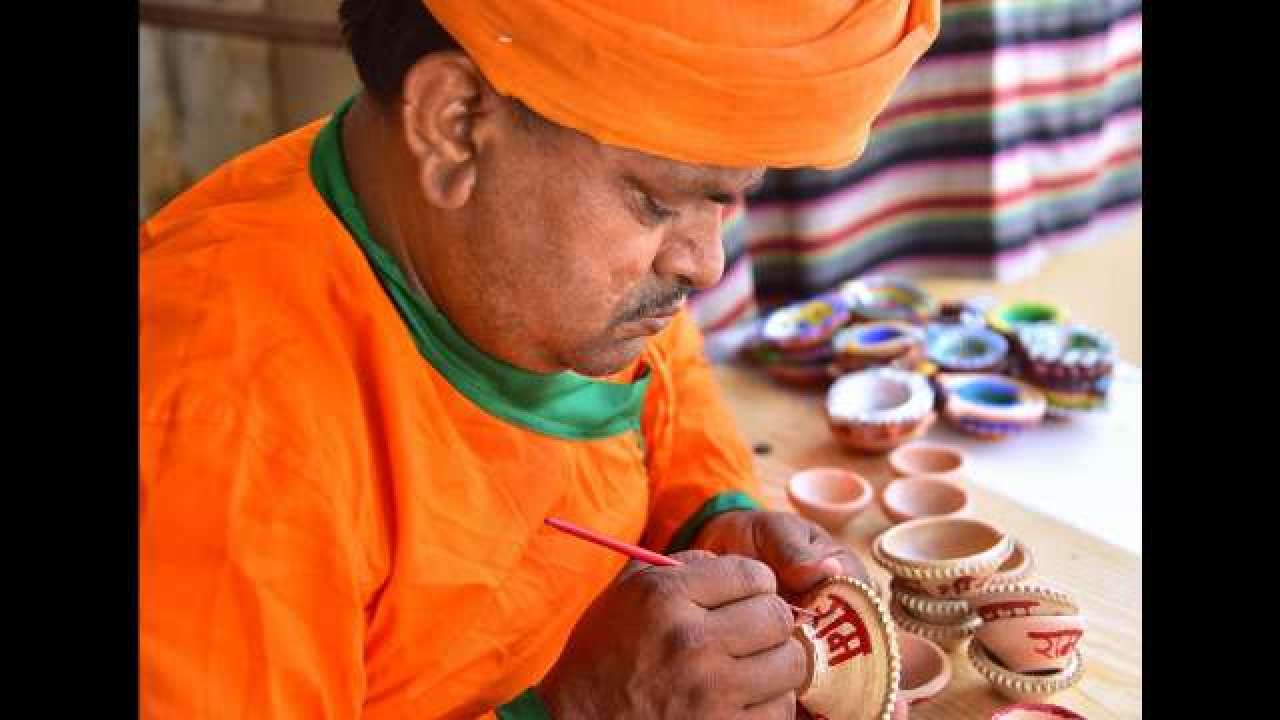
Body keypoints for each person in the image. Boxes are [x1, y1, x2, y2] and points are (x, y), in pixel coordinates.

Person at [139, 0, 940, 717]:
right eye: (657, 200)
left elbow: (667, 393)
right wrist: (582, 710)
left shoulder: (538, 261)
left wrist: (715, 522)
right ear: (455, 122)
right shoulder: (220, 426)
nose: (706, 264)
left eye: (726, 197)